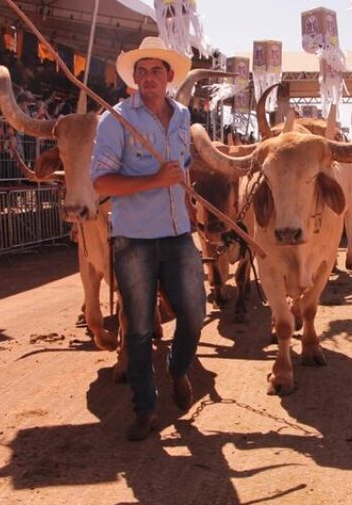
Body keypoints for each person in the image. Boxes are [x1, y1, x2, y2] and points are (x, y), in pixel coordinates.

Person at [90, 36, 206, 441]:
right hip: (135, 239)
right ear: (134, 78)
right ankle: (146, 407)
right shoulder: (115, 120)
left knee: (194, 314)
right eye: (142, 72)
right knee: (137, 328)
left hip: (177, 236)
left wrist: (187, 204)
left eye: (156, 70)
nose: (149, 77)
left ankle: (177, 368)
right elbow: (101, 182)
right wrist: (154, 179)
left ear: (170, 76)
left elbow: (184, 169)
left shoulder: (182, 117)